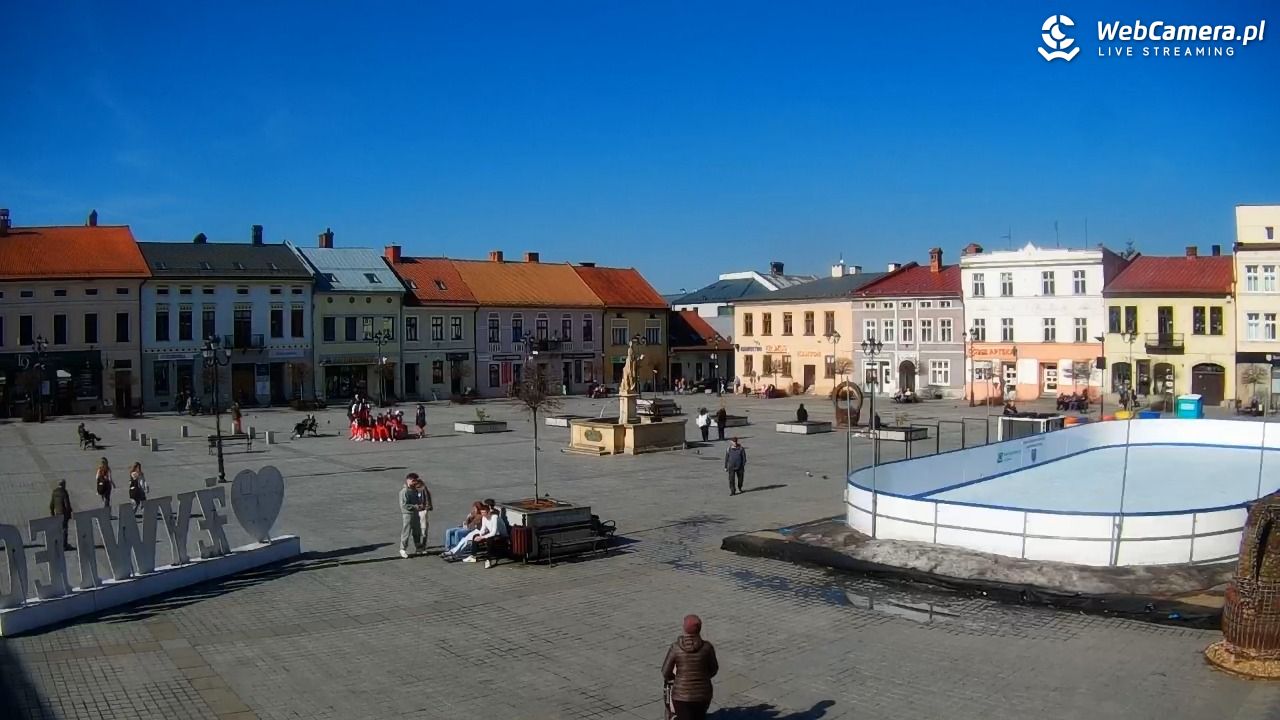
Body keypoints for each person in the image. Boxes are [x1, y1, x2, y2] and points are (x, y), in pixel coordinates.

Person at [661, 614, 719, 720]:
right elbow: (714, 669)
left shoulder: (676, 648)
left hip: (680, 696)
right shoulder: (707, 648)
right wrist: (703, 677)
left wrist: (676, 679)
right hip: (703, 695)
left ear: (684, 628)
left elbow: (665, 672)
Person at [398, 474, 428, 558]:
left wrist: (420, 505)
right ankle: (403, 549)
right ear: (408, 480)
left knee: (417, 531)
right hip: (408, 514)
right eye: (413, 480)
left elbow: (418, 500)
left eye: (415, 480)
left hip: (415, 513)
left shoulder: (414, 490)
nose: (415, 482)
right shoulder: (404, 492)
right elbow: (404, 505)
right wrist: (415, 506)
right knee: (406, 531)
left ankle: (418, 548)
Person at [49, 480, 73, 550]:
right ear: (63, 485)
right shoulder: (64, 492)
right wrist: (69, 513)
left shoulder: (54, 492)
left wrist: (52, 513)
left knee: (58, 529)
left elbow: (51, 504)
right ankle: (64, 545)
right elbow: (67, 505)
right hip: (64, 514)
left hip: (57, 513)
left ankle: (58, 544)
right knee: (64, 529)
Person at [413, 474, 433, 549]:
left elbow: (427, 499)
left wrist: (426, 509)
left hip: (422, 510)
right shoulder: (411, 489)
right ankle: (418, 544)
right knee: (416, 528)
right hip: (415, 511)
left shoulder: (423, 488)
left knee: (424, 528)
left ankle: (423, 543)